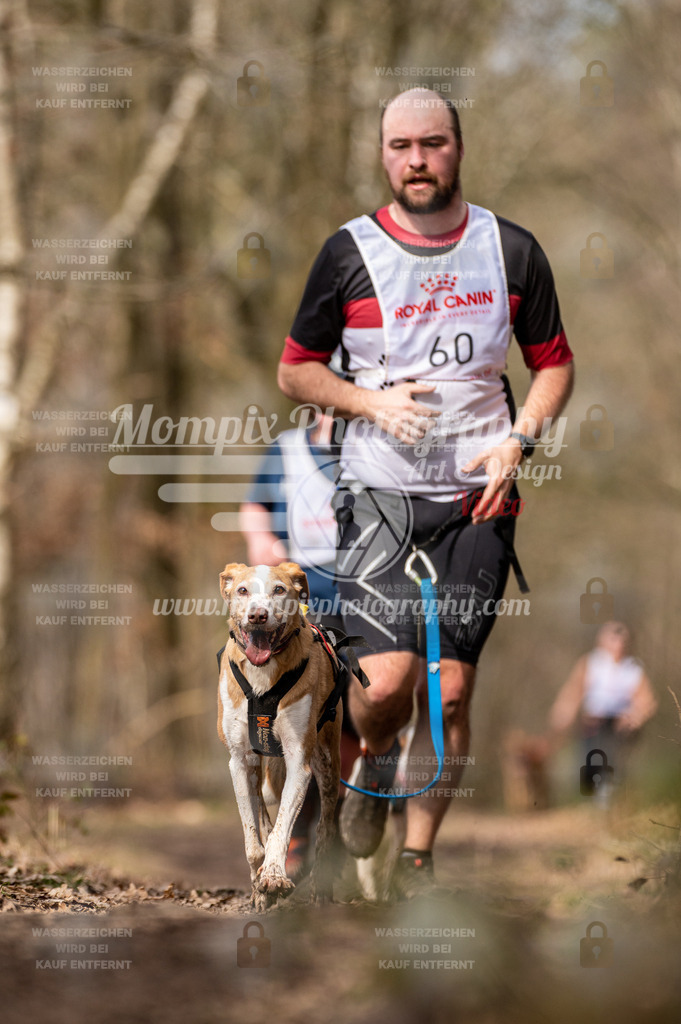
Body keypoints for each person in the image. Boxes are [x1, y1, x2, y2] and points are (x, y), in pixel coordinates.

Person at [277, 88, 575, 898]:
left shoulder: (510, 250)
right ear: (383, 154)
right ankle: (371, 758)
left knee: (450, 690)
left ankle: (416, 860)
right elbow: (295, 368)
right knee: (383, 693)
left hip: (479, 498)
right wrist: (370, 402)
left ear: (458, 148)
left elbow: (553, 361)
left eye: (432, 143)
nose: (417, 160)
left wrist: (519, 440)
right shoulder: (347, 254)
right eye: (401, 145)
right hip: (378, 496)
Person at [239, 413, 360, 879]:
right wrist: (261, 541)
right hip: (302, 613)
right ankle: (295, 836)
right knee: (291, 725)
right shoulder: (287, 448)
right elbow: (255, 506)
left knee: (349, 722)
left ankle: (338, 823)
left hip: (366, 602)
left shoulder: (372, 446)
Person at [548, 621, 657, 801]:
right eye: (613, 640)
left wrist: (637, 716)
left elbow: (646, 700)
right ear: (602, 641)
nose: (618, 645)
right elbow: (574, 690)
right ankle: (592, 795)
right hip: (593, 721)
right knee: (588, 765)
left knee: (612, 760)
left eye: (622, 641)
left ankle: (609, 796)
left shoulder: (633, 668)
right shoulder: (590, 663)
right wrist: (564, 711)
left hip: (618, 723)